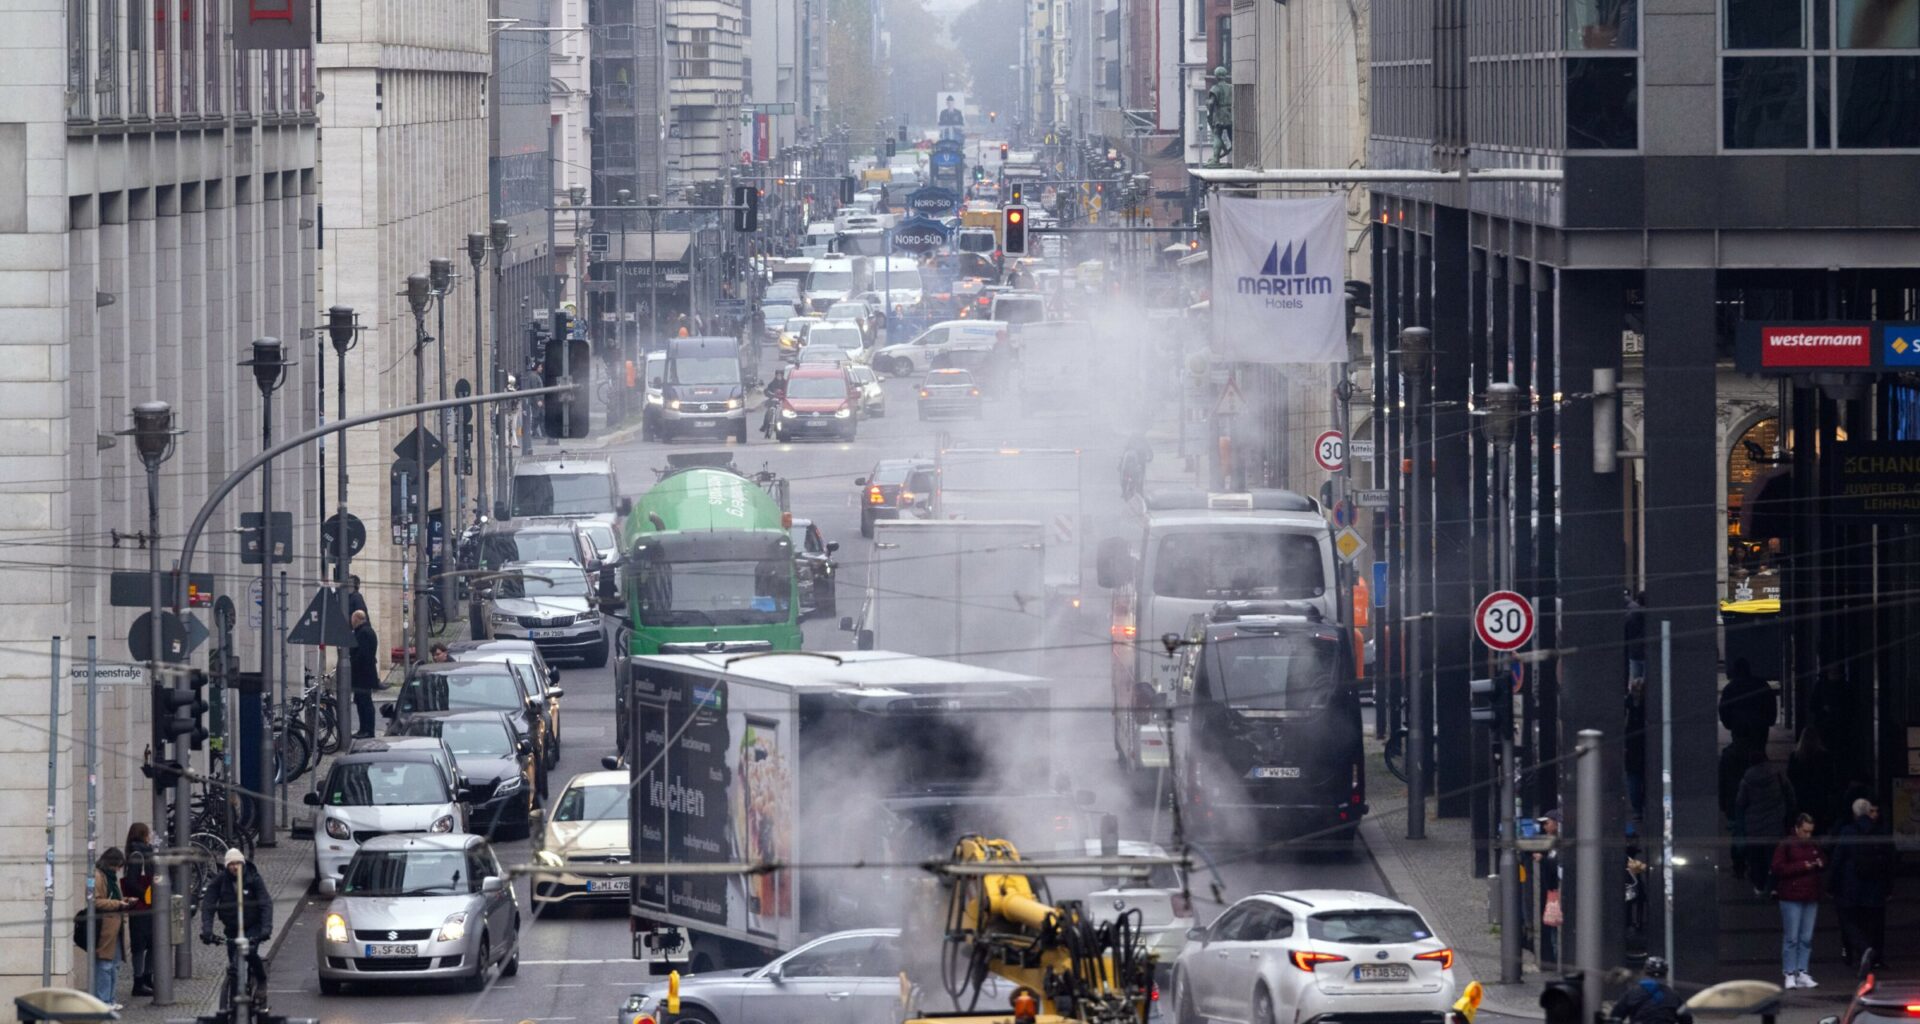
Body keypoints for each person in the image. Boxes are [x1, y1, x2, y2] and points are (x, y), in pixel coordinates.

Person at [200, 848, 272, 1009]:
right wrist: (207, 930)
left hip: (252, 926)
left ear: (243, 864)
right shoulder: (220, 881)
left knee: (250, 952)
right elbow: (208, 905)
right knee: (234, 966)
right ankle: (233, 1004)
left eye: (237, 863)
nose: (234, 867)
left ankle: (261, 979)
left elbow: (265, 903)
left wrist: (266, 929)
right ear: (227, 866)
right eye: (231, 864)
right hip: (232, 928)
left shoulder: (253, 878)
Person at [1829, 798, 1893, 971]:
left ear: (1854, 813)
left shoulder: (1847, 832)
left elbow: (1837, 859)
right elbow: (1890, 861)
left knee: (1849, 920)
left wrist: (1831, 885)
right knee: (1874, 923)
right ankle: (1875, 957)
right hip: (1875, 886)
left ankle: (1862, 950)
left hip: (1851, 886)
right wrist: (1889, 887)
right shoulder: (1880, 832)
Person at [1771, 813, 1824, 989]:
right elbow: (1777, 868)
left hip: (1808, 894)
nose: (1808, 835)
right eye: (1805, 831)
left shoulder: (1812, 844)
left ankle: (1801, 971)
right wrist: (1803, 866)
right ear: (1797, 828)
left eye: (1810, 832)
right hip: (1791, 896)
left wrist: (1820, 863)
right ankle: (1790, 972)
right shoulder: (1786, 844)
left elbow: (1824, 859)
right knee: (1792, 937)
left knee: (1805, 937)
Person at [1733, 748, 1796, 895]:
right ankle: (1774, 886)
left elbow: (1740, 804)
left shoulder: (1746, 780)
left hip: (1753, 826)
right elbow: (1790, 795)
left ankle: (1759, 885)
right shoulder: (1778, 775)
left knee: (1756, 858)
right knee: (1774, 857)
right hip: (1775, 823)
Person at [90, 847, 131, 1010]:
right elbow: (95, 901)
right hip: (105, 927)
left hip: (115, 927)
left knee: (114, 965)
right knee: (105, 965)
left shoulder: (110, 877)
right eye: (118, 866)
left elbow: (111, 898)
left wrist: (124, 900)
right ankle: (103, 1001)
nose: (119, 870)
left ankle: (110, 999)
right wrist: (117, 903)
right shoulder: (98, 876)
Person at [121, 823, 156, 997]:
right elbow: (131, 882)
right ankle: (139, 981)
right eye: (147, 833)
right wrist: (146, 895)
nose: (150, 836)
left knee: (153, 942)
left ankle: (147, 977)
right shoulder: (137, 855)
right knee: (141, 944)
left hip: (148, 906)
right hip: (142, 907)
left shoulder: (144, 852)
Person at [1608, 957, 1689, 1024]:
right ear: (1665, 974)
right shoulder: (1674, 996)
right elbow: (1686, 1019)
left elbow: (1615, 1018)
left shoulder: (1632, 993)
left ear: (1645, 972)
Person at [1719, 658, 1777, 747]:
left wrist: (1729, 724)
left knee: (1741, 748)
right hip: (1760, 725)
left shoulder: (1731, 687)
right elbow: (1771, 703)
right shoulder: (1761, 684)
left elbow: (1724, 708)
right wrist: (1770, 720)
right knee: (1758, 748)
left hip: (1739, 725)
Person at [349, 609, 381, 738]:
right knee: (362, 702)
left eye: (352, 620)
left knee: (364, 703)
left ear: (357, 619)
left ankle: (367, 730)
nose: (351, 622)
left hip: (363, 675)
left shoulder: (363, 633)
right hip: (364, 674)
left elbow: (362, 654)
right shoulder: (367, 631)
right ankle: (364, 729)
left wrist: (352, 663)